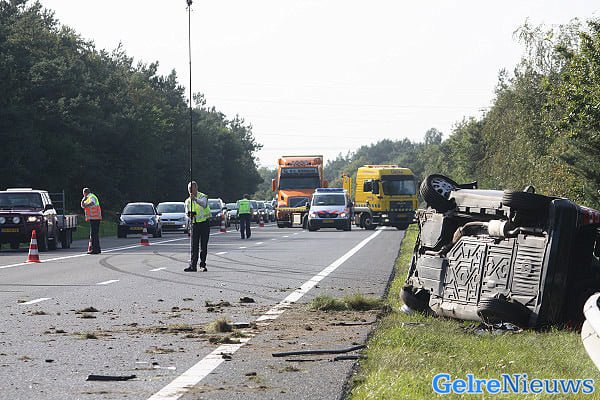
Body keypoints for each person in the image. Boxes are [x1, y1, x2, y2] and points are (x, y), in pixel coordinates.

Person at [184, 181, 211, 272]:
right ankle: (193, 265)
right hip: (194, 224)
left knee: (203, 245)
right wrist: (189, 215)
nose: (190, 190)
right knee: (194, 246)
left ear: (196, 188)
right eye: (189, 189)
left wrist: (195, 199)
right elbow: (186, 212)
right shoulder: (187, 201)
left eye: (192, 188)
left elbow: (204, 204)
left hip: (204, 223)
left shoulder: (203, 196)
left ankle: (202, 265)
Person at [80, 187, 102, 254]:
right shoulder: (87, 198)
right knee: (94, 234)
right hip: (93, 218)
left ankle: (94, 250)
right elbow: (82, 206)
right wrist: (83, 201)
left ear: (85, 193)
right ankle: (97, 249)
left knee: (93, 234)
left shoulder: (91, 196)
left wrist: (86, 205)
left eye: (83, 193)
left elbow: (92, 203)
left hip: (95, 218)